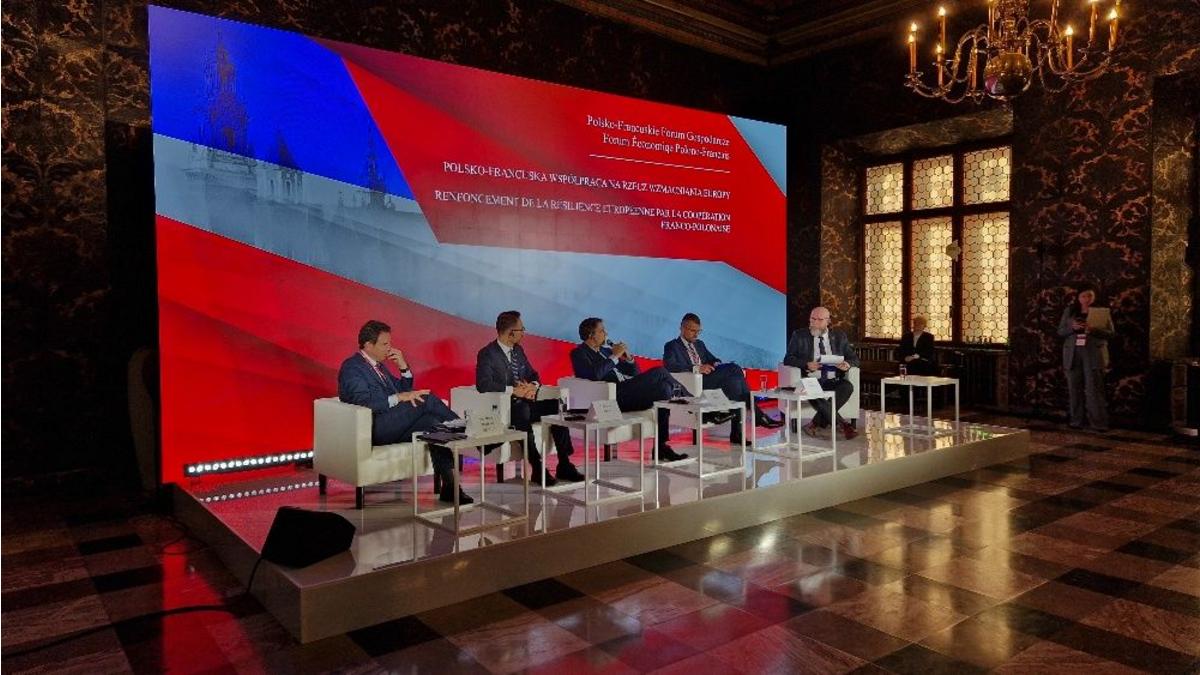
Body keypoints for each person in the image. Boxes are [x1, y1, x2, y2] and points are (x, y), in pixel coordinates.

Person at [337, 320, 471, 504]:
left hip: (390, 424)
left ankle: (450, 487)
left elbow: (403, 390)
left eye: (389, 343)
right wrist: (399, 398)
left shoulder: (378, 366)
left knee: (433, 423)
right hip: (372, 428)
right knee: (426, 398)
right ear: (368, 345)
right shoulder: (352, 368)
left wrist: (403, 367)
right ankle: (468, 432)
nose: (389, 348)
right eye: (385, 344)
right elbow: (363, 403)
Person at [476, 311, 584, 486]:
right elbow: (483, 384)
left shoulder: (518, 350)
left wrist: (532, 385)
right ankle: (537, 466)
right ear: (510, 333)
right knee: (522, 410)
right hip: (507, 408)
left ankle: (564, 463)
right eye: (521, 329)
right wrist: (513, 391)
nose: (524, 333)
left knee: (555, 406)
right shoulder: (487, 353)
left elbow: (533, 374)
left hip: (526, 403)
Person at [570, 317, 690, 461]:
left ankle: (661, 446)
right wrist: (615, 356)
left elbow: (636, 373)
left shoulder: (605, 351)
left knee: (664, 390)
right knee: (660, 371)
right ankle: (690, 400)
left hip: (628, 392)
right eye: (601, 331)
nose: (606, 333)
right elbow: (594, 375)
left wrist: (629, 359)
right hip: (613, 397)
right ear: (591, 335)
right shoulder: (579, 353)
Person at [663, 313, 784, 445]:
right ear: (682, 328)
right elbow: (670, 365)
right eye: (693, 331)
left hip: (710, 378)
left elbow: (713, 359)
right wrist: (696, 368)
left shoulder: (700, 344)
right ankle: (758, 416)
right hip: (694, 383)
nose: (696, 335)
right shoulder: (672, 346)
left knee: (735, 383)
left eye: (699, 331)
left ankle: (737, 433)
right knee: (734, 368)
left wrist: (716, 363)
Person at [783, 306, 860, 440]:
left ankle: (814, 423)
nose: (815, 323)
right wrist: (806, 364)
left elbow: (854, 359)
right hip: (811, 379)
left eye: (819, 320)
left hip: (832, 380)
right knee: (811, 389)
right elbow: (788, 358)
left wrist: (847, 365)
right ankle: (842, 425)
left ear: (828, 321)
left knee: (847, 386)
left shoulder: (839, 337)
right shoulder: (799, 335)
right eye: (812, 319)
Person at [1057, 285, 1113, 431]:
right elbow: (1060, 331)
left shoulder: (1101, 312)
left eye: (1089, 296)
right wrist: (1072, 328)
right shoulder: (1070, 311)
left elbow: (1111, 333)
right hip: (1073, 352)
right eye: (1083, 296)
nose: (1086, 299)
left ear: (1094, 297)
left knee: (1094, 389)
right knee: (1074, 388)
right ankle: (1076, 421)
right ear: (1078, 298)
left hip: (1093, 353)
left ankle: (1098, 423)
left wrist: (1093, 330)